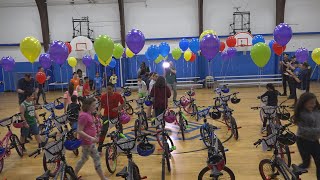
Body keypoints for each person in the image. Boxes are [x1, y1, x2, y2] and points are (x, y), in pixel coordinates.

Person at [74, 98, 109, 180]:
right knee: (96, 158)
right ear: (88, 106)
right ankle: (103, 178)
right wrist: (91, 138)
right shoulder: (84, 116)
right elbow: (79, 130)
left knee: (84, 159)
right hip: (87, 142)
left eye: (95, 105)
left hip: (89, 142)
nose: (95, 107)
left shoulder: (89, 114)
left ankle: (73, 175)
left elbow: (90, 126)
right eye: (93, 105)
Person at [293, 92, 320, 179]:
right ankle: (294, 173)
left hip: (314, 141)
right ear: (304, 103)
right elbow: (304, 130)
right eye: (311, 103)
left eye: (314, 102)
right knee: (306, 164)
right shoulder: (301, 114)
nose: (313, 104)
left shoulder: (317, 111)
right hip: (303, 141)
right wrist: (318, 131)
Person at [97, 82, 124, 153]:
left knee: (120, 130)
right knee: (103, 131)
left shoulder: (118, 95)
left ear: (113, 89)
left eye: (110, 89)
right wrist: (99, 111)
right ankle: (99, 147)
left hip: (116, 116)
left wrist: (118, 108)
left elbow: (123, 104)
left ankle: (120, 145)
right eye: (107, 89)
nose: (108, 91)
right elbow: (101, 105)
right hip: (106, 116)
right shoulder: (103, 97)